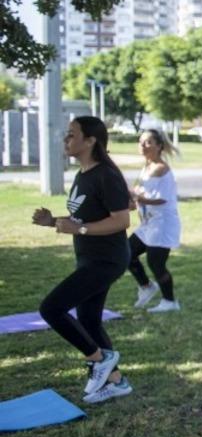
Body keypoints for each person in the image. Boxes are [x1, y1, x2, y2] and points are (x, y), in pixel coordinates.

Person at [32, 117, 134, 404]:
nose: (66, 140)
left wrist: (80, 229)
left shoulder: (105, 175)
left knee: (51, 308)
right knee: (88, 319)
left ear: (90, 141)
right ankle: (115, 381)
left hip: (107, 259)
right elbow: (84, 217)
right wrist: (53, 221)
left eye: (71, 135)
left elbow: (121, 220)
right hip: (89, 257)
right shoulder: (83, 174)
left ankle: (99, 360)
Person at [129, 128, 183, 312]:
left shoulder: (160, 168)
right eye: (141, 142)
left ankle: (170, 302)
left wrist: (137, 198)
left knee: (156, 263)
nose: (143, 145)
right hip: (148, 223)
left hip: (162, 223)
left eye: (148, 142)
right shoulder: (147, 167)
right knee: (126, 253)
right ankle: (146, 287)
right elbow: (140, 194)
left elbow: (161, 199)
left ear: (159, 146)